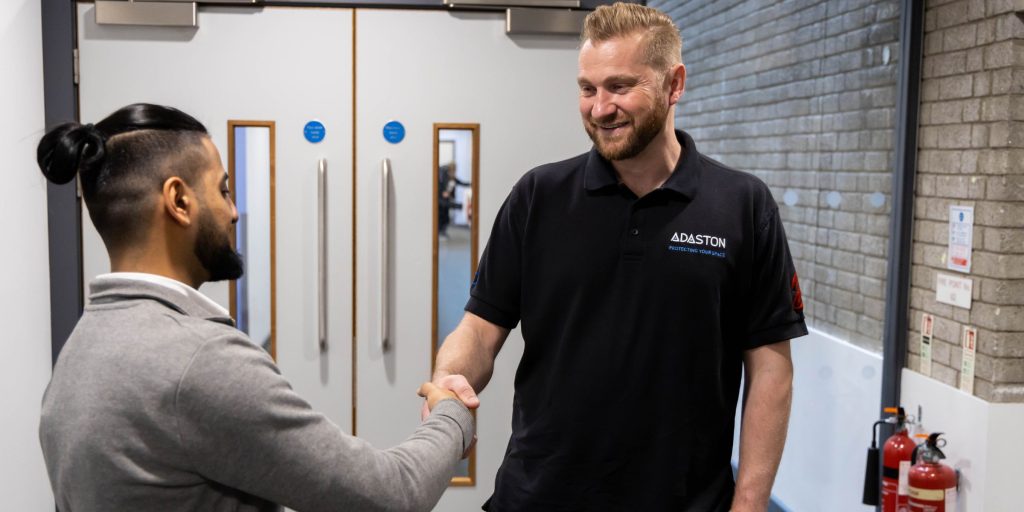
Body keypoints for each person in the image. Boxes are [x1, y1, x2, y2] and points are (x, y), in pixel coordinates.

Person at [428, 3, 807, 511]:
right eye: (588, 89)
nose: (600, 108)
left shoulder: (741, 206)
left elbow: (770, 369)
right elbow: (479, 328)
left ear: (675, 84)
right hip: (539, 498)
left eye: (620, 87)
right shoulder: (538, 197)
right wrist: (451, 376)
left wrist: (750, 503)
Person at [37, 103, 475, 512]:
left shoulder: (81, 350)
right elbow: (391, 494)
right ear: (179, 201)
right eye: (223, 190)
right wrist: (452, 415)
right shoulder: (197, 361)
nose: (234, 212)